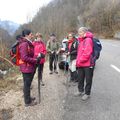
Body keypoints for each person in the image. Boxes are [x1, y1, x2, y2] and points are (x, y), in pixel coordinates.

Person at [18, 29, 41, 107]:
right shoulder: (24, 44)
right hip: (26, 68)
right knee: (27, 85)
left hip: (27, 67)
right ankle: (27, 102)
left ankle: (28, 98)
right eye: (31, 34)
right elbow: (24, 57)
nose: (32, 35)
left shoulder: (28, 43)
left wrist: (36, 57)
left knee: (27, 84)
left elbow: (29, 55)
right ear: (26, 35)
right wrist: (34, 60)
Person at [75, 27, 95, 101]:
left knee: (88, 79)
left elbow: (87, 53)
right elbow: (79, 53)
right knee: (80, 78)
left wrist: (79, 61)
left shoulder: (88, 40)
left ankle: (87, 93)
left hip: (88, 64)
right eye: (78, 32)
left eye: (80, 32)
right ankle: (80, 90)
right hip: (81, 64)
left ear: (84, 32)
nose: (79, 34)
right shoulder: (81, 41)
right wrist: (78, 62)